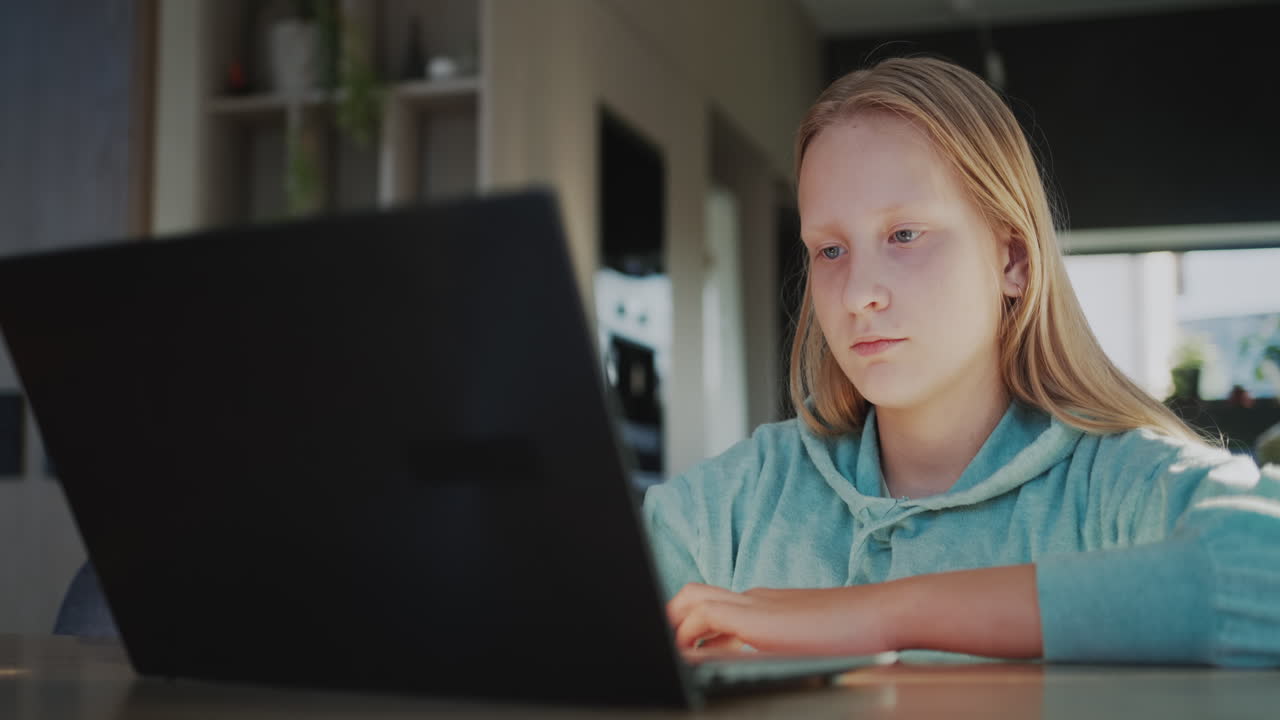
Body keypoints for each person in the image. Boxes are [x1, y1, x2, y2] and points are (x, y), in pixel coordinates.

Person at [642, 56, 1280, 666]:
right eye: (830, 250)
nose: (860, 293)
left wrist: (874, 616)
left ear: (1012, 260)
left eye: (904, 235)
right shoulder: (729, 507)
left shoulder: (1120, 487)